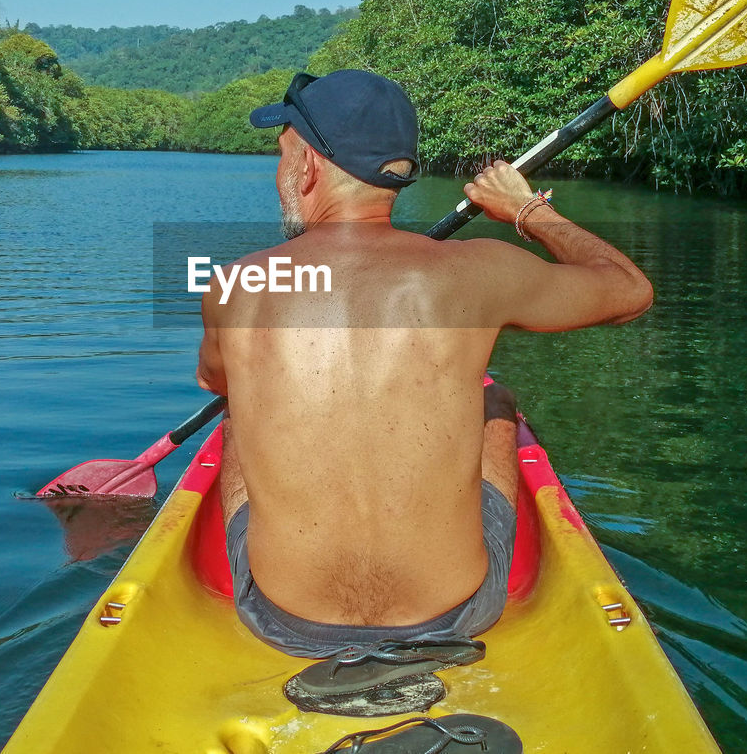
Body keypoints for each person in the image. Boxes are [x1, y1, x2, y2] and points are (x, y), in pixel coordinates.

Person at [196, 69, 652, 658]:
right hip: (456, 613)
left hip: (283, 620)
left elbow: (215, 381)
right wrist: (526, 211)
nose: (279, 173)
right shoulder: (477, 270)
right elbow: (628, 290)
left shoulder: (239, 282)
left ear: (307, 166)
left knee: (236, 419)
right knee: (495, 401)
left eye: (283, 155)